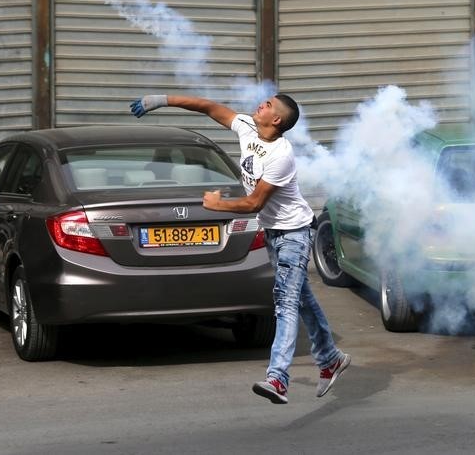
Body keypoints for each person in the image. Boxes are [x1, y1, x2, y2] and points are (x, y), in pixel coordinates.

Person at [130, 93, 350, 404]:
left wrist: (218, 205)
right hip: (275, 233)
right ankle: (330, 358)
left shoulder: (281, 155)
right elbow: (208, 107)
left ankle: (278, 378)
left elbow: (254, 202)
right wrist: (162, 100)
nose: (262, 103)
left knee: (285, 303)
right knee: (302, 299)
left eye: (269, 105)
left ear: (276, 121)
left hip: (294, 235)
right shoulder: (247, 126)